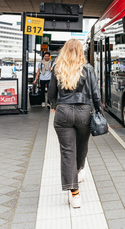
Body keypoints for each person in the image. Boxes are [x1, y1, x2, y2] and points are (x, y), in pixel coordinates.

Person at [48, 39, 101, 209]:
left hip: (63, 112)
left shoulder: (58, 68)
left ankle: (75, 194)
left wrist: (56, 107)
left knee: (67, 152)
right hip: (83, 112)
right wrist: (98, 110)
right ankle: (78, 171)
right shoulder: (88, 68)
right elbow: (95, 94)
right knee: (82, 146)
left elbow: (51, 93)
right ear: (80, 52)